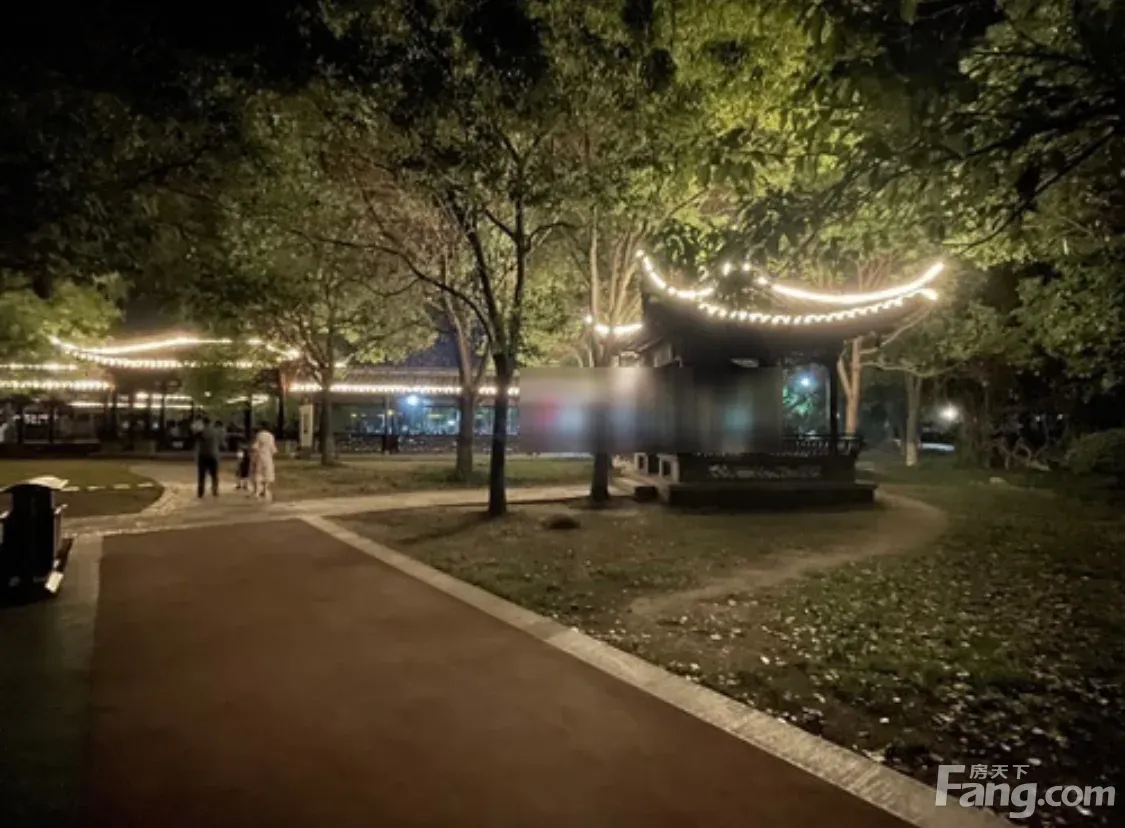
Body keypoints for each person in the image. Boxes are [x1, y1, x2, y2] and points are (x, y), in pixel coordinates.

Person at [195, 417, 222, 498]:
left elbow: (196, 440)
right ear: (211, 423)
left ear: (203, 423)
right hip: (214, 454)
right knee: (214, 475)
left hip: (203, 455)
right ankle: (215, 490)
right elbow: (220, 442)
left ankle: (200, 492)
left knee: (201, 475)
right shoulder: (216, 432)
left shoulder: (201, 432)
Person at [252, 423, 278, 500]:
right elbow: (273, 449)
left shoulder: (259, 435)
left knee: (258, 473)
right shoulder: (271, 436)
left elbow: (255, 447)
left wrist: (254, 456)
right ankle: (265, 490)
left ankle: (257, 491)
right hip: (268, 456)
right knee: (267, 473)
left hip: (260, 456)